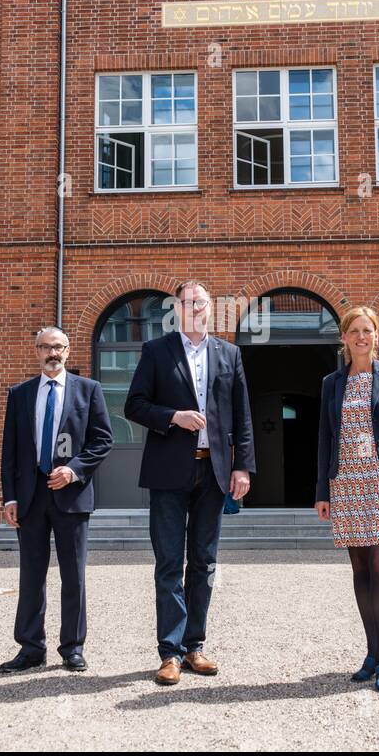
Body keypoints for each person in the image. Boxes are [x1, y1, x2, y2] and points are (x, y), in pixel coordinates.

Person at [125, 279, 254, 685]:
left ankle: (195, 646)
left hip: (213, 472)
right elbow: (134, 405)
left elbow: (242, 416)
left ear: (209, 307)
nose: (196, 307)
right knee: (168, 563)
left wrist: (242, 467)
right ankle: (170, 652)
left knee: (204, 561)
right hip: (168, 471)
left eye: (202, 302)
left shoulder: (228, 353)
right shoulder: (156, 351)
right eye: (188, 302)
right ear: (176, 308)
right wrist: (172, 417)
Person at [315, 306, 379, 693]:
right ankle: (371, 653)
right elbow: (325, 439)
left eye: (368, 330)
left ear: (378, 336)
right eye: (354, 331)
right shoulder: (332, 383)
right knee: (359, 570)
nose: (361, 336)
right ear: (344, 337)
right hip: (346, 482)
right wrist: (322, 491)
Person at [0, 327, 113, 673]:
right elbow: (10, 452)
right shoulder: (19, 394)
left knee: (73, 575)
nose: (52, 353)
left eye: (58, 347)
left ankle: (73, 647)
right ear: (36, 351)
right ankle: (31, 647)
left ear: (68, 350)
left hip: (72, 494)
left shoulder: (88, 390)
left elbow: (103, 440)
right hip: (31, 496)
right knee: (31, 575)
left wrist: (73, 470)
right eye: (45, 347)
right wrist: (10, 498)